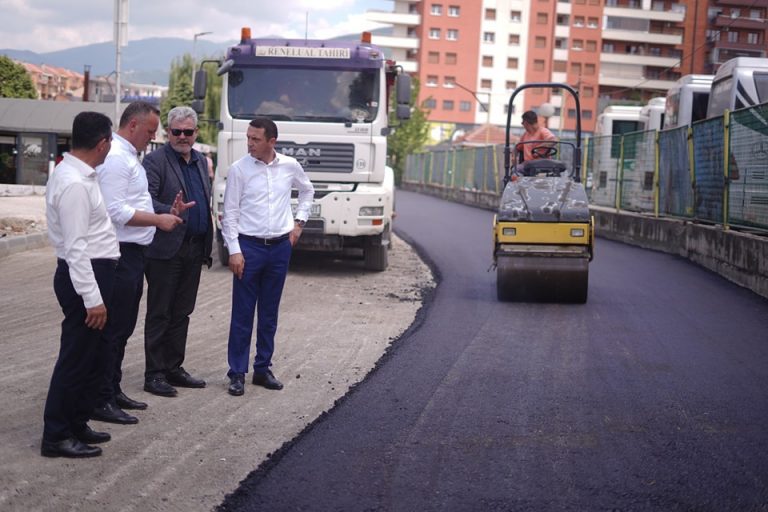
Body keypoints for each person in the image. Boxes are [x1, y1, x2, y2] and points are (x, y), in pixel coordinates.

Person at [92, 101, 183, 425]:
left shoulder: (127, 156)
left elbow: (133, 203)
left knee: (123, 328)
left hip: (132, 253)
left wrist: (162, 212)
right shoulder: (116, 159)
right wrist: (157, 220)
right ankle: (100, 398)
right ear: (132, 126)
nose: (152, 137)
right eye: (150, 131)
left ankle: (111, 389)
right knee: (113, 330)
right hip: (120, 253)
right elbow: (115, 211)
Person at [41, 111, 118, 458]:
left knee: (90, 356)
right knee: (75, 357)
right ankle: (56, 435)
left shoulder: (80, 175)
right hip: (84, 277)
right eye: (110, 140)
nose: (110, 146)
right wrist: (93, 298)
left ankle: (76, 422)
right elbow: (75, 249)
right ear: (102, 144)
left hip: (93, 273)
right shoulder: (73, 182)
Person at [222, 117, 314, 396]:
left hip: (279, 248)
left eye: (255, 139)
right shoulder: (239, 170)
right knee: (242, 313)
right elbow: (230, 214)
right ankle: (237, 372)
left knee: (269, 312)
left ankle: (262, 368)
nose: (249, 143)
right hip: (249, 248)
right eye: (248, 138)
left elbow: (307, 190)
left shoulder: (289, 166)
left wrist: (299, 224)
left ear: (271, 141)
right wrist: (234, 251)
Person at [141, 106, 212, 397]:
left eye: (188, 132)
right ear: (167, 132)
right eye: (176, 131)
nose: (182, 137)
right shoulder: (154, 162)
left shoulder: (201, 161)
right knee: (160, 312)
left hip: (194, 248)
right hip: (165, 248)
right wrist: (168, 211)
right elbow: (145, 200)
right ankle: (154, 374)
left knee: (182, 312)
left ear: (196, 133)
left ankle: (173, 367)